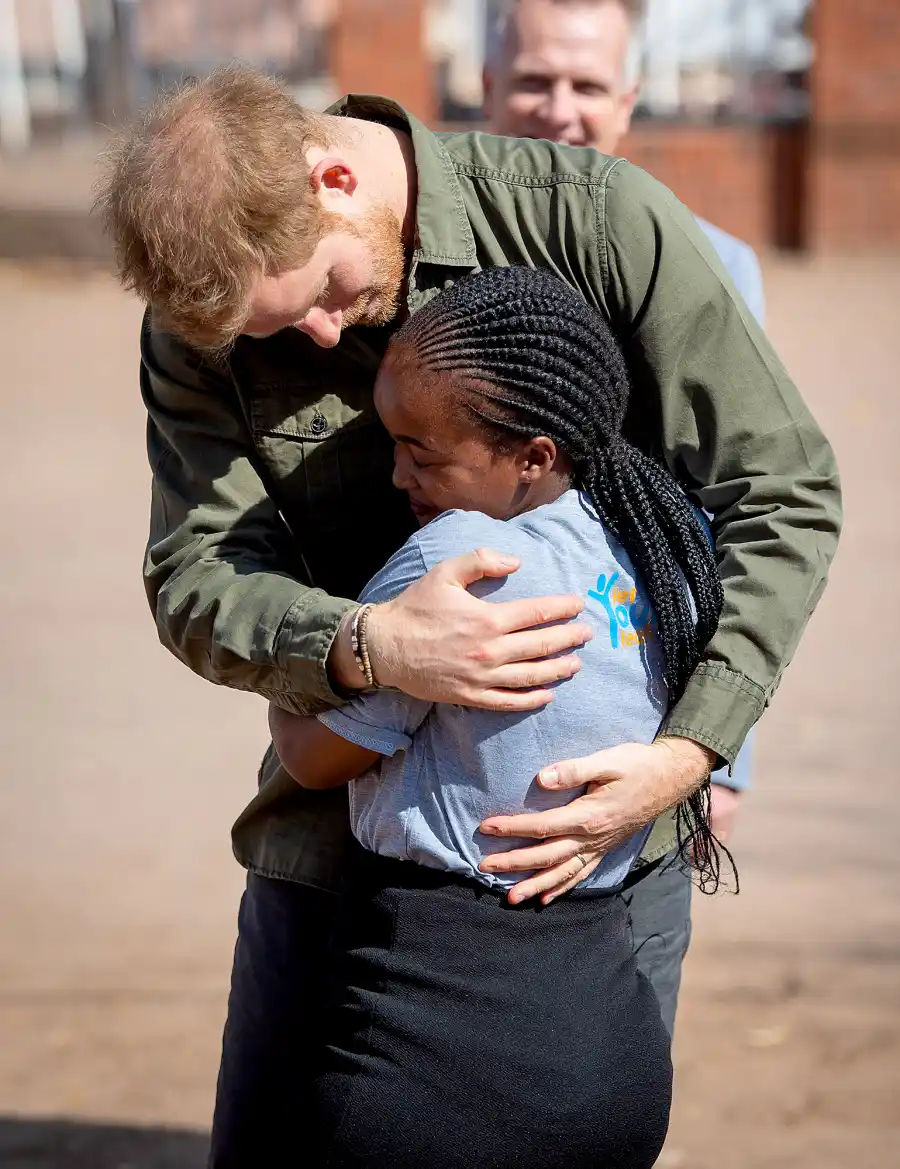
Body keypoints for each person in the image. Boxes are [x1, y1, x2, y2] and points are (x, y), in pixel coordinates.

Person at [95, 66, 841, 1168]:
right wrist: (372, 645)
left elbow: (783, 492)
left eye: (321, 292)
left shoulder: (590, 222)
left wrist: (688, 753)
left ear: (334, 177)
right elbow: (196, 574)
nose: (307, 335)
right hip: (332, 862)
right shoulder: (206, 321)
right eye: (274, 324)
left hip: (590, 863)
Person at [271, 264, 722, 1168]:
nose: (397, 472)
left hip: (436, 1051)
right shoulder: (661, 544)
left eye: (423, 452)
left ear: (534, 456)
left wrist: (303, 668)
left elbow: (314, 759)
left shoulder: (458, 560)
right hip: (614, 1047)